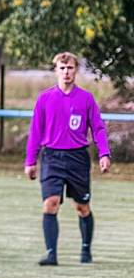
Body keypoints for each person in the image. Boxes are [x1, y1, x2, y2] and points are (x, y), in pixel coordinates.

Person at [25, 52, 111, 265]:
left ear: (76, 70)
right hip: (52, 157)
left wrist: (104, 154)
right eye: (62, 68)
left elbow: (98, 129)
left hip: (77, 158)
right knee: (50, 204)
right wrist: (30, 161)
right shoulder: (45, 99)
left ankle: (86, 250)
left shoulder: (86, 99)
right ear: (56, 71)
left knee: (82, 207)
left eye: (70, 68)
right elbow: (35, 131)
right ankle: (51, 254)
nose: (66, 72)